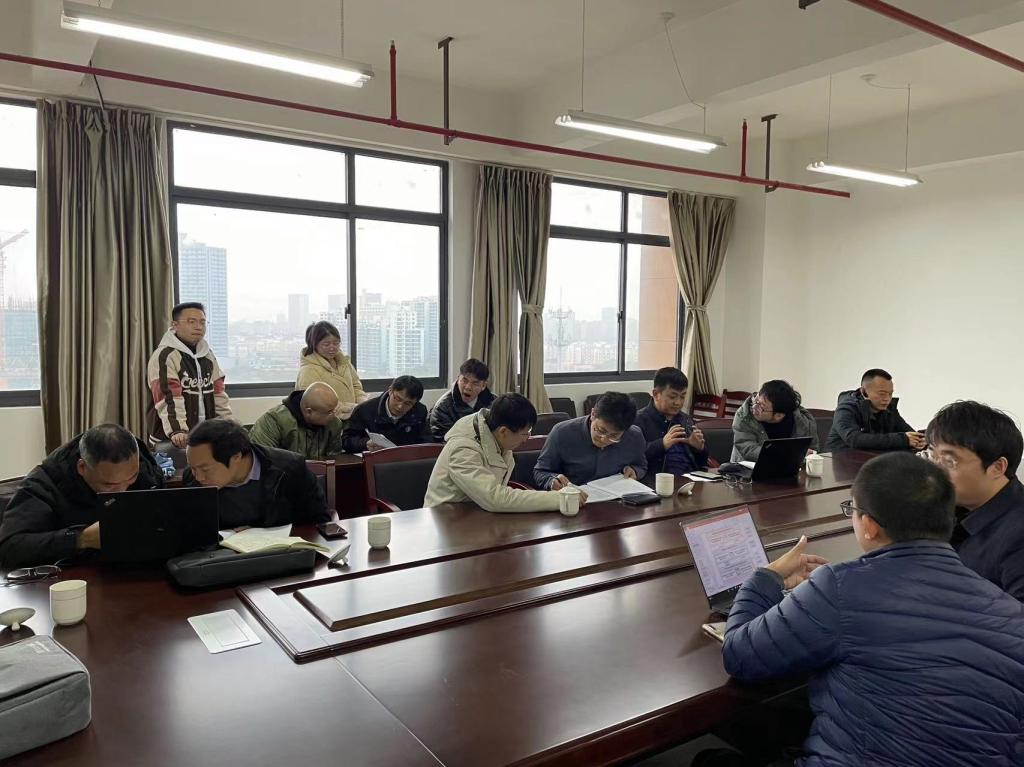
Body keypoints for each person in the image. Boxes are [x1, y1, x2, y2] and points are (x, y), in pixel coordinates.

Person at [718, 453, 1024, 767]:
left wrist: (764, 579)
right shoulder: (1012, 614)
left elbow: (740, 655)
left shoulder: (841, 587)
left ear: (869, 526)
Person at [0, 424, 164, 568]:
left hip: (135, 572)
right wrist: (81, 538)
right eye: (109, 484)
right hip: (70, 580)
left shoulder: (145, 469)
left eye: (131, 478)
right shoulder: (46, 482)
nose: (122, 490)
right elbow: (9, 548)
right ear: (82, 467)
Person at [925, 400, 1024, 600]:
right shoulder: (952, 507)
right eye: (932, 457)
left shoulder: (1018, 536)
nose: (935, 472)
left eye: (949, 461)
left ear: (997, 467)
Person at [424, 393, 582, 512]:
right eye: (525, 433)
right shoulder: (463, 449)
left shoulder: (496, 432)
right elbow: (494, 498)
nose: (527, 438)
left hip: (479, 515)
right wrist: (560, 499)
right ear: (504, 431)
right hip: (447, 520)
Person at [185, 419, 328, 528]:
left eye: (205, 469)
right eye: (192, 468)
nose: (198, 477)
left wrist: (259, 534)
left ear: (236, 457)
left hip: (280, 553)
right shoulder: (192, 478)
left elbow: (318, 521)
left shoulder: (290, 469)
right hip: (223, 556)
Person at [148, 301, 232, 448]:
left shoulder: (208, 355)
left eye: (202, 322)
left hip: (203, 438)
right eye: (191, 322)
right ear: (175, 325)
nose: (198, 327)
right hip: (171, 439)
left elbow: (219, 394)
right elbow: (168, 397)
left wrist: (229, 426)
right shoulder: (165, 356)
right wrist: (177, 430)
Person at [534, 392, 647, 489]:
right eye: (601, 430)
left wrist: (634, 471)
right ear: (593, 414)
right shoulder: (562, 432)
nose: (604, 439)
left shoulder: (634, 435)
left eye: (614, 436)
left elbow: (641, 465)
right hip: (576, 498)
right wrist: (552, 480)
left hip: (619, 499)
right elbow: (540, 472)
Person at [826, 368, 924, 452]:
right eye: (882, 394)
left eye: (890, 394)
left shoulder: (889, 409)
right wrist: (903, 439)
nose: (887, 399)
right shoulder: (846, 409)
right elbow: (855, 439)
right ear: (864, 392)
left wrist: (921, 440)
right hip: (840, 460)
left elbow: (907, 432)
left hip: (872, 459)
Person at [635, 367, 708, 474]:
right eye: (672, 397)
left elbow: (702, 463)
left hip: (691, 479)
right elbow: (632, 457)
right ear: (656, 394)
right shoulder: (638, 420)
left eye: (682, 397)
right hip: (658, 480)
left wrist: (699, 449)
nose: (678, 403)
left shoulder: (686, 420)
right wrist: (662, 444)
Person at [248, 382, 344, 461]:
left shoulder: (334, 425)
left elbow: (334, 459)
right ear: (309, 411)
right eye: (329, 412)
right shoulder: (274, 420)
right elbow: (261, 459)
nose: (334, 415)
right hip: (281, 476)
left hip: (318, 476)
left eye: (335, 409)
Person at [295, 321, 367, 420]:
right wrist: (353, 409)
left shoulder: (344, 363)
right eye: (326, 344)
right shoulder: (308, 371)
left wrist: (364, 403)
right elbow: (316, 405)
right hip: (327, 423)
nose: (332, 348)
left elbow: (356, 386)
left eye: (336, 343)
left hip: (352, 418)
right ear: (314, 344)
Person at [731, 380, 817, 462]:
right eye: (756, 400)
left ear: (778, 416)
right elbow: (749, 450)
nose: (754, 407)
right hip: (747, 468)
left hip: (791, 469)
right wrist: (789, 454)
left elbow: (813, 452)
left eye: (761, 407)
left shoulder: (804, 421)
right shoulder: (744, 415)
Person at [342, 375, 430, 453]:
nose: (400, 406)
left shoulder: (420, 411)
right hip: (373, 460)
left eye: (408, 403)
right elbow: (346, 440)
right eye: (397, 399)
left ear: (415, 403)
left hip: (407, 460)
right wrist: (365, 443)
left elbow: (427, 440)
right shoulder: (365, 410)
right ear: (390, 390)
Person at [429, 358, 495, 441]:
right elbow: (443, 441)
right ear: (458, 379)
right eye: (465, 380)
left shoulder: (494, 403)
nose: (468, 387)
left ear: (483, 385)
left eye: (475, 383)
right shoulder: (442, 407)